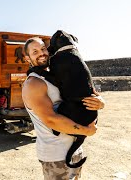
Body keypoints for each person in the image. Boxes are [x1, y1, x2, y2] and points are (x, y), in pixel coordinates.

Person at [22, 37, 105, 180]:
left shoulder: (55, 75)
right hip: (55, 155)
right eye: (35, 52)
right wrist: (87, 131)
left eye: (43, 49)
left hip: (74, 150)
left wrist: (100, 102)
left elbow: (83, 91)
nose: (41, 53)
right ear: (26, 58)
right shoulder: (33, 83)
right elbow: (51, 119)